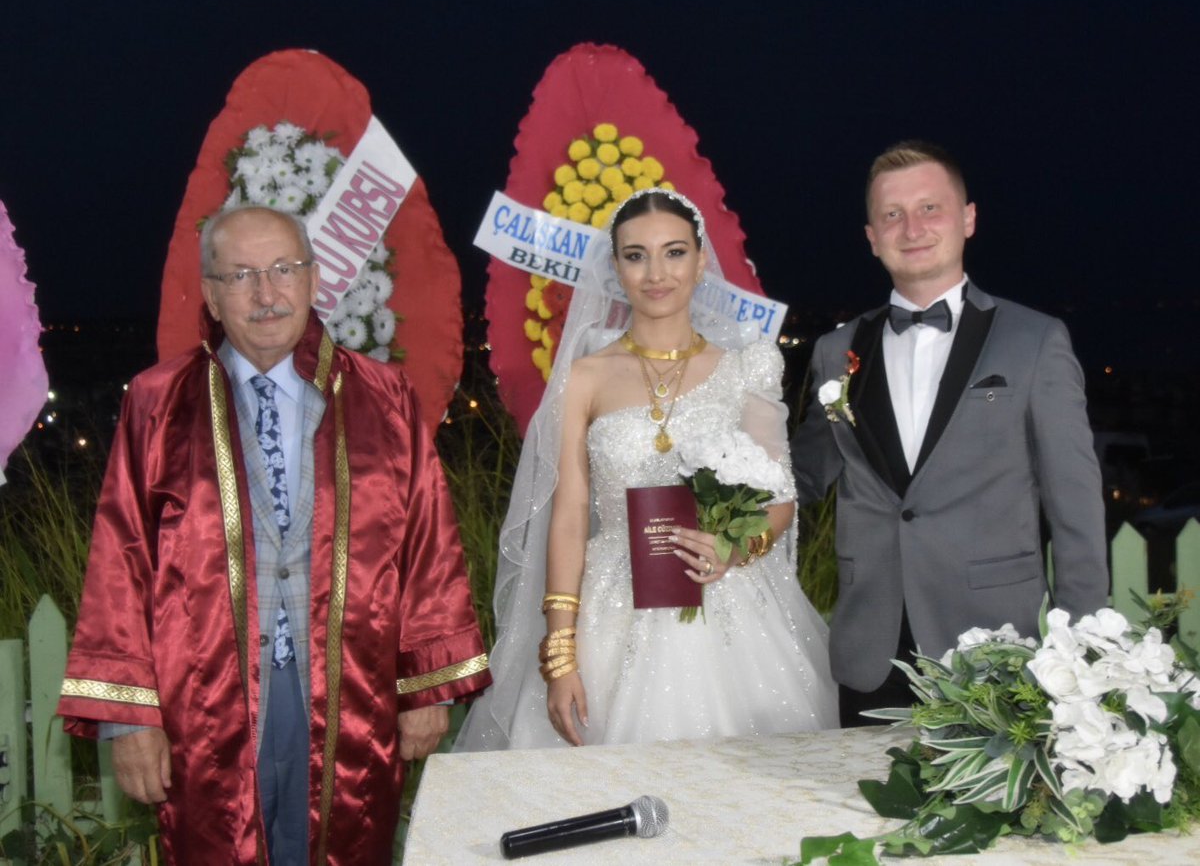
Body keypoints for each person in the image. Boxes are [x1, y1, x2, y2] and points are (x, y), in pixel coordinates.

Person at [57, 206, 491, 865]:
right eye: (241, 275)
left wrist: (425, 688)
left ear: (313, 279)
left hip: (354, 692)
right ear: (211, 295)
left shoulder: (382, 397)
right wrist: (127, 718)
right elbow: (121, 561)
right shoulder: (159, 402)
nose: (266, 293)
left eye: (284, 269)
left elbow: (428, 547)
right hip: (205, 703)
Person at [456, 188, 836, 750]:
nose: (656, 273)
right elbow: (569, 516)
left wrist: (734, 549)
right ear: (616, 268)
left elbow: (780, 498)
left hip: (727, 603)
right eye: (636, 256)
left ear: (701, 261)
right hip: (610, 610)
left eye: (674, 252)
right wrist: (561, 652)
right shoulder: (584, 377)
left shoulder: (747, 367)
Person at [790, 141, 1108, 727]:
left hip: (997, 650)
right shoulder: (836, 351)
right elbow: (801, 476)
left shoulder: (1035, 341)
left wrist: (1083, 646)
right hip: (872, 651)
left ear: (968, 219)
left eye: (930, 208)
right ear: (872, 236)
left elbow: (1076, 506)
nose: (912, 228)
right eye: (892, 214)